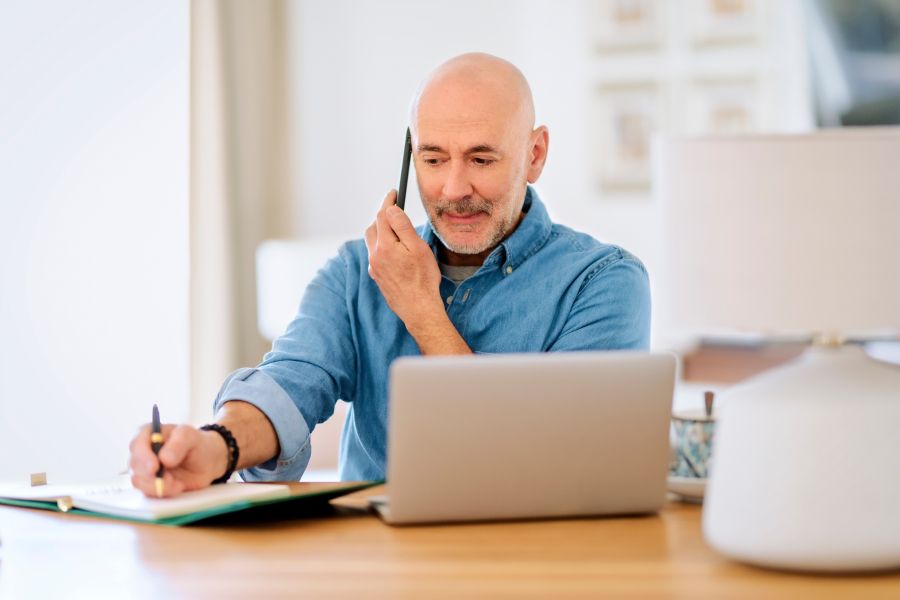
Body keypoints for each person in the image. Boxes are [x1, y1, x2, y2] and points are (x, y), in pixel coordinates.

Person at [129, 52, 651, 497]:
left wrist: (422, 311)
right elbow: (288, 385)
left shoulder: (604, 283)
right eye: (432, 158)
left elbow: (551, 465)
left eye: (482, 159)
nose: (452, 188)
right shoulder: (357, 271)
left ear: (534, 155)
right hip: (378, 567)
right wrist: (219, 446)